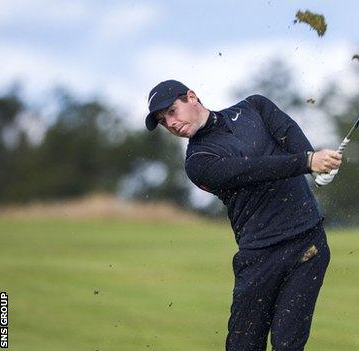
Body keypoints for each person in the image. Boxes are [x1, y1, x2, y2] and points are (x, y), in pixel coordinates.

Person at [145, 80, 342, 350]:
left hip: (307, 244)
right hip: (259, 256)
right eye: (163, 121)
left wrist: (317, 163)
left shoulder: (254, 107)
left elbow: (291, 138)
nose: (171, 123)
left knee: (289, 344)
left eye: (171, 112)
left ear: (191, 97)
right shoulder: (198, 161)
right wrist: (307, 162)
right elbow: (252, 170)